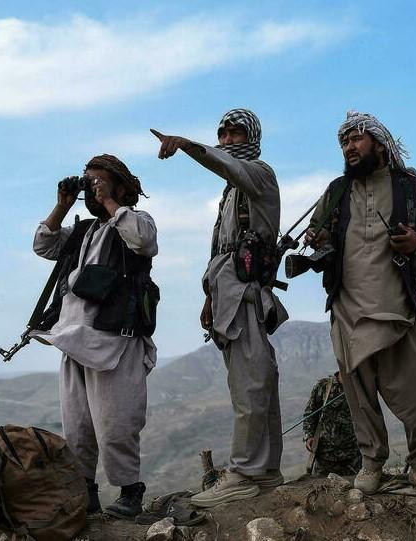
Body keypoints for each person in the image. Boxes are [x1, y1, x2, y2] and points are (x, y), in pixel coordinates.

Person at [304, 111, 416, 496]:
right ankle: (372, 463)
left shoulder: (409, 188)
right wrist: (317, 237)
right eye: (344, 142)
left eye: (356, 139)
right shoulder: (336, 190)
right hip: (347, 309)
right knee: (359, 399)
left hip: (398, 308)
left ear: (377, 143)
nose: (349, 147)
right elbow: (318, 232)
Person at [154, 109, 288, 507]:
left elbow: (226, 165)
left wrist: (189, 146)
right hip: (227, 301)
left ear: (252, 136)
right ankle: (265, 473)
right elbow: (223, 253)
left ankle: (245, 472)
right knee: (254, 382)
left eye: (236, 132)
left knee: (252, 384)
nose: (228, 139)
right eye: (223, 133)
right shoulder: (231, 193)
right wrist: (209, 298)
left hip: (247, 300)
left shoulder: (258, 174)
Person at [31, 154, 158, 519]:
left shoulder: (135, 221)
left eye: (98, 181)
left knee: (117, 423)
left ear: (119, 185)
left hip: (115, 340)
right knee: (78, 427)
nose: (92, 188)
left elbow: (144, 241)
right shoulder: (84, 231)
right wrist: (61, 206)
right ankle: (85, 492)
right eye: (89, 182)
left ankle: (130, 492)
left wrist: (109, 202)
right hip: (72, 340)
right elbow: (43, 245)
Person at [302, 372, 361, 477]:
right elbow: (310, 414)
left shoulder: (359, 387)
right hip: (324, 456)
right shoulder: (323, 386)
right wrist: (309, 436)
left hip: (353, 457)